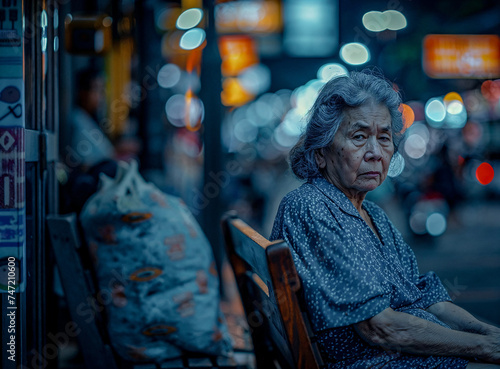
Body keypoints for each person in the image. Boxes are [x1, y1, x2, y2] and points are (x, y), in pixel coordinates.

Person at [270, 71, 500, 368]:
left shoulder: (373, 214)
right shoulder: (311, 207)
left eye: (384, 137)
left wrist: (487, 333)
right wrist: (481, 347)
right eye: (359, 137)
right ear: (321, 153)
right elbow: (379, 328)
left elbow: (424, 295)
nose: (376, 153)